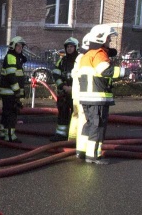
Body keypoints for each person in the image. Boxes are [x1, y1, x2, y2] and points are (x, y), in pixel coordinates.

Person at [77, 24, 127, 164]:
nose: (109, 41)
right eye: (108, 38)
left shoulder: (87, 54)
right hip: (97, 98)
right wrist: (125, 72)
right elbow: (106, 71)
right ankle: (93, 155)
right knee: (97, 127)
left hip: (87, 98)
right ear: (101, 38)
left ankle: (82, 151)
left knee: (89, 125)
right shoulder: (99, 53)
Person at [49, 37, 79, 142]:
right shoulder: (62, 61)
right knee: (62, 114)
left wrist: (73, 88)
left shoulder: (80, 60)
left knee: (76, 115)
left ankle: (74, 137)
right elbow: (55, 74)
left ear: (76, 47)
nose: (69, 49)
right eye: (68, 47)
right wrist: (63, 86)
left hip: (76, 93)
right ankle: (61, 135)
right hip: (64, 93)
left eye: (71, 47)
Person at [0, 36, 27, 143]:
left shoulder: (14, 57)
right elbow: (11, 76)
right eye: (18, 45)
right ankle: (10, 136)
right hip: (10, 93)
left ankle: (3, 133)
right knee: (11, 114)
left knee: (6, 113)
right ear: (13, 46)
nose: (20, 48)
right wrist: (17, 92)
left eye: (21, 46)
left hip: (8, 92)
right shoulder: (11, 57)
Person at [69, 35, 91, 159]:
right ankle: (81, 148)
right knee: (84, 119)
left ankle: (71, 140)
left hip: (76, 93)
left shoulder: (79, 57)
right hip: (83, 94)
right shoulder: (86, 58)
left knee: (76, 116)